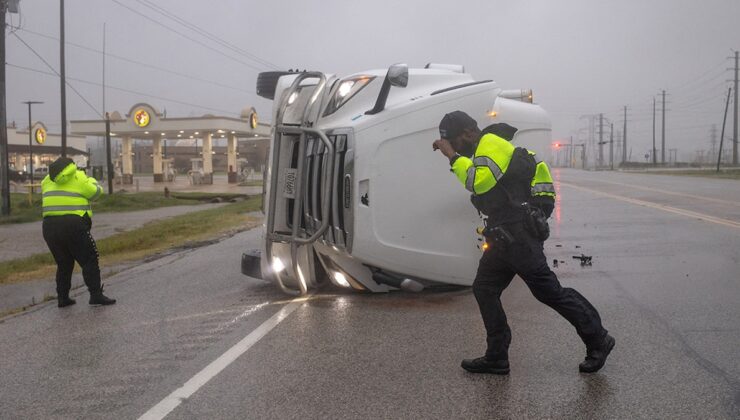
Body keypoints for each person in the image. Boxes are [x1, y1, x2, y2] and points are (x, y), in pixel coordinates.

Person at [432, 111, 613, 374]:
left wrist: (452, 156)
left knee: (549, 292)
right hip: (503, 236)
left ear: (470, 132)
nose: (453, 147)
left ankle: (598, 338)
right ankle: (497, 356)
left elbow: (478, 183)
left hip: (518, 237)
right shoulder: (489, 147)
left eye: (454, 141)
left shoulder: (490, 144)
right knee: (484, 288)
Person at [41, 157, 116, 307]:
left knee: (64, 262)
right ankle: (95, 295)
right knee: (89, 258)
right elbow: (96, 193)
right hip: (73, 225)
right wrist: (92, 181)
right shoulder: (79, 177)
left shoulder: (47, 180)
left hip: (49, 226)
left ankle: (62, 298)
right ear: (72, 166)